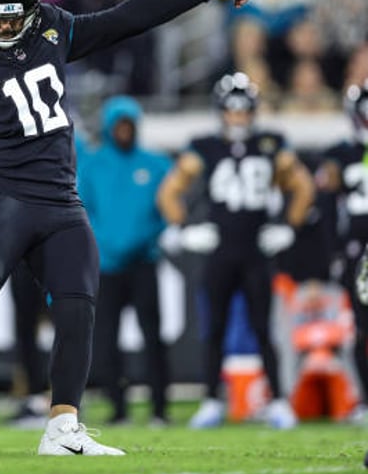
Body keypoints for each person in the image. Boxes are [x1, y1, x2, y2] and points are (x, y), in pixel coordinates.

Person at [0, 0, 254, 455]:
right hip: (2, 197)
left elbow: (126, 18)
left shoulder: (52, 27)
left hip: (60, 200)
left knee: (78, 305)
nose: (7, 30)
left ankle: (62, 427)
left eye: (15, 18)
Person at [157, 71, 315, 429]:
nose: (238, 116)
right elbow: (168, 192)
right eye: (232, 109)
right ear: (221, 111)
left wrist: (288, 228)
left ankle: (276, 400)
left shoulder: (271, 144)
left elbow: (304, 187)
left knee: (263, 328)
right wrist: (184, 229)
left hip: (256, 248)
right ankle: (212, 400)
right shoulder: (205, 146)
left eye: (244, 110)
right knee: (214, 328)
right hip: (221, 249)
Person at [78, 95, 172, 426]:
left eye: (128, 125)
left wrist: (146, 237)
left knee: (153, 338)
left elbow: (168, 207)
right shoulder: (91, 165)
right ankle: (118, 409)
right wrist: (107, 245)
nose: (123, 131)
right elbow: (83, 211)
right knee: (106, 339)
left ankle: (160, 408)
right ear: (108, 126)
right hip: (107, 266)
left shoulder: (157, 164)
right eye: (118, 125)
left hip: (144, 261)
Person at [316, 80, 368, 421]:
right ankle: (366, 400)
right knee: (362, 330)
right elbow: (326, 199)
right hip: (358, 252)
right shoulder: (340, 154)